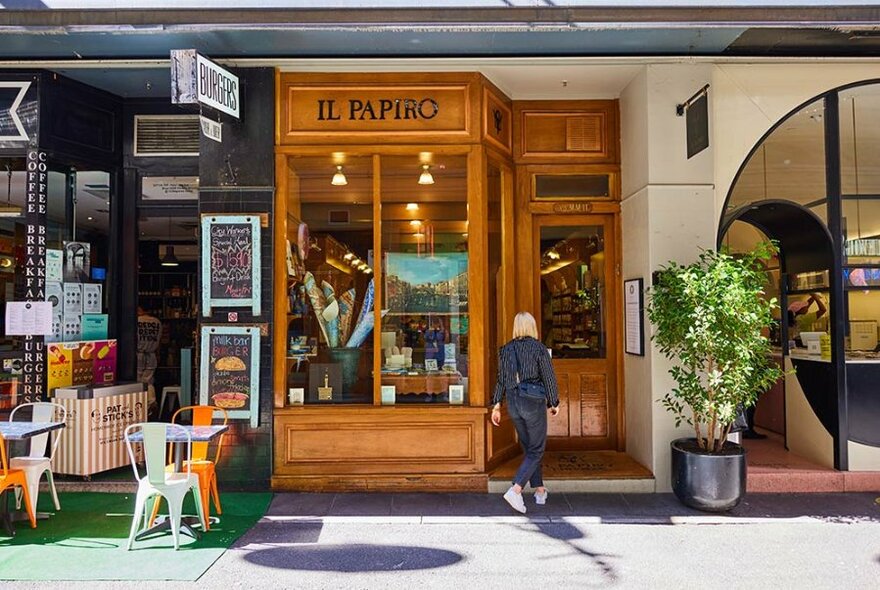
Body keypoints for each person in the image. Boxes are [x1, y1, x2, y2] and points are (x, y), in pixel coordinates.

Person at [490, 311, 560, 514]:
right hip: (533, 402)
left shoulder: (506, 350)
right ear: (532, 327)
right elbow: (548, 377)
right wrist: (553, 401)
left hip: (513, 402)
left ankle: (539, 491)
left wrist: (496, 404)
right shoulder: (539, 349)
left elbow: (501, 379)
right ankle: (516, 489)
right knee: (537, 448)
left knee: (530, 447)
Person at [136, 306, 162, 417]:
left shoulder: (136, 321)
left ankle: (140, 406)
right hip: (151, 355)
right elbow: (159, 341)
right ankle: (151, 402)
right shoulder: (157, 322)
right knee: (149, 380)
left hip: (138, 355)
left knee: (138, 381)